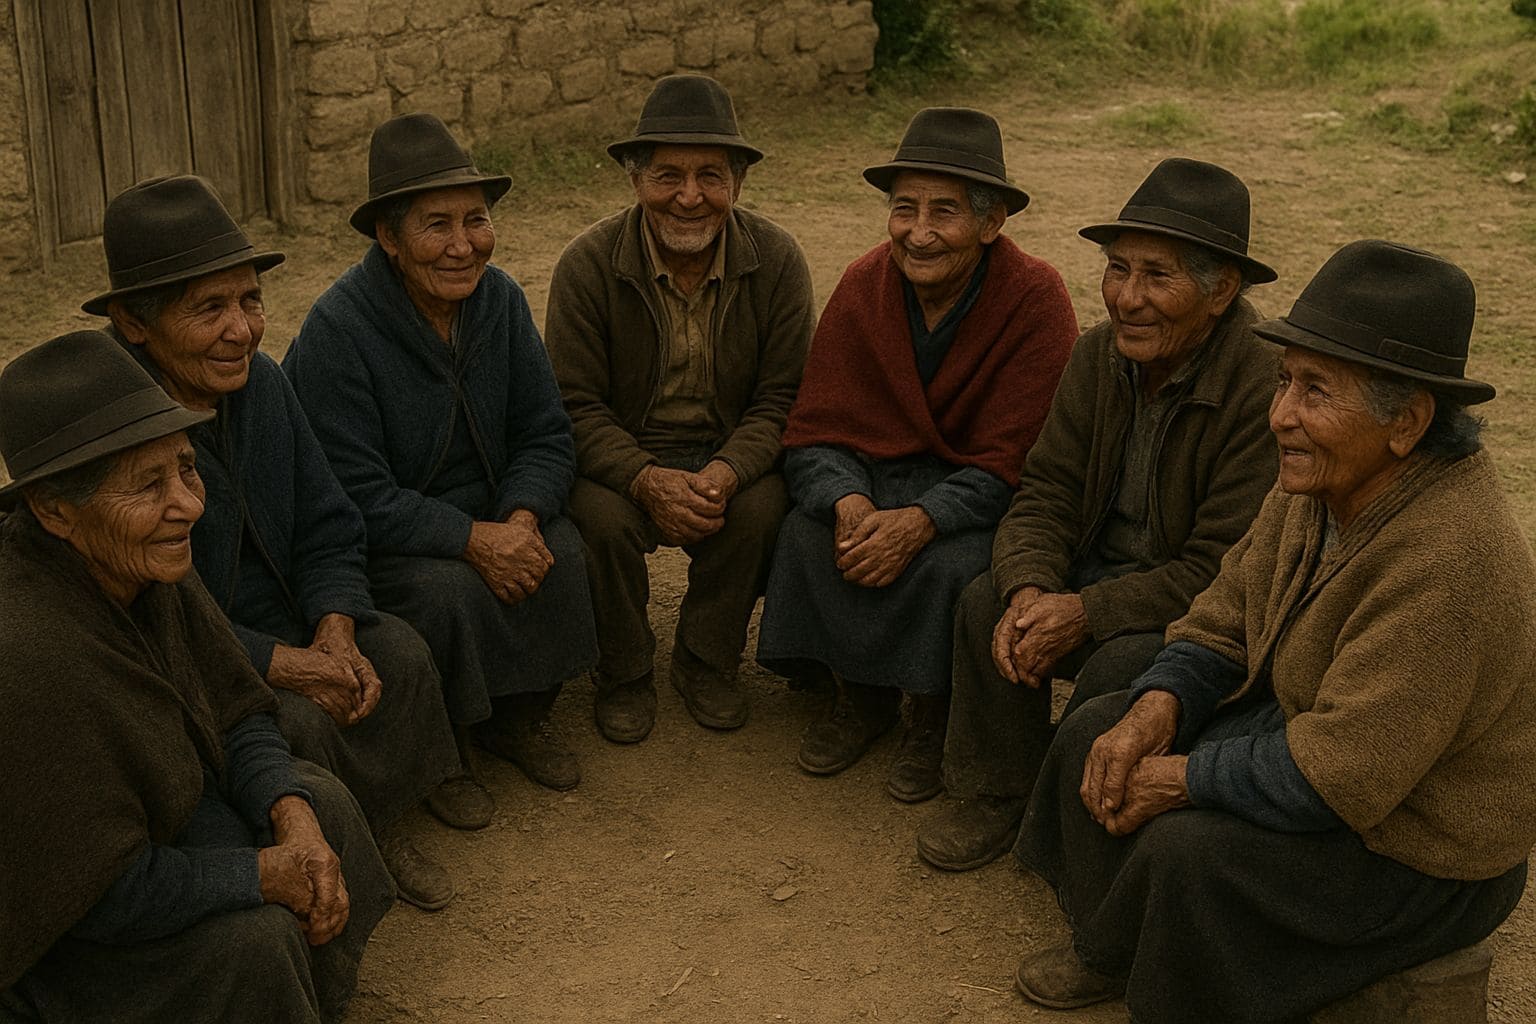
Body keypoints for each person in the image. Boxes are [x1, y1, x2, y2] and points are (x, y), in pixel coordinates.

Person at [1011, 239, 1536, 1023]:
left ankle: (1178, 971)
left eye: (1315, 390)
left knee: (1187, 851)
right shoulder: (1318, 480)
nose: (1280, 413)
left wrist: (1181, 778)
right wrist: (1158, 706)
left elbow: (1342, 774)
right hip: (1314, 737)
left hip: (1421, 848)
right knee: (1101, 724)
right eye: (1285, 380)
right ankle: (1115, 941)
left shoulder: (1451, 559)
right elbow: (1223, 616)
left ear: (1409, 423)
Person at [87, 174, 464, 911]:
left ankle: (391, 807)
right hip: (197, 657)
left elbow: (328, 519)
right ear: (136, 322)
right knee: (294, 721)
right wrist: (282, 663)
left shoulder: (261, 385)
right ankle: (353, 844)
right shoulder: (118, 435)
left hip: (297, 619)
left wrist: (336, 625)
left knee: (401, 654)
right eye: (209, 308)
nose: (243, 329)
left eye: (249, 301)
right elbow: (156, 611)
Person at [0, 330, 393, 1024]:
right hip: (66, 929)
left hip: (156, 835)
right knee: (254, 940)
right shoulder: (29, 655)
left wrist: (289, 815)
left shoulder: (141, 561)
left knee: (320, 802)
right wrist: (261, 875)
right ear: (54, 510)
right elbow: (98, 892)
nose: (187, 504)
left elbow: (236, 708)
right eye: (147, 486)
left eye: (186, 468)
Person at [915, 158, 1279, 870]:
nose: (1127, 298)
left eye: (1158, 276)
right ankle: (997, 793)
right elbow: (1045, 490)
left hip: (1195, 611)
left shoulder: (1259, 387)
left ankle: (1074, 821)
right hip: (1095, 570)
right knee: (988, 599)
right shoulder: (1097, 358)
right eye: (1118, 269)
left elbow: (1220, 568)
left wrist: (1086, 611)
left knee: (1124, 659)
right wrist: (1031, 590)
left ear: (1221, 290)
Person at [755, 107, 1077, 801]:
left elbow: (1020, 456)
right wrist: (849, 500)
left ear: (992, 225)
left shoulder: (1036, 298)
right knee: (810, 532)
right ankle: (860, 696)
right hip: (870, 477)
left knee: (955, 569)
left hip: (975, 491)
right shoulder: (864, 283)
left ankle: (932, 714)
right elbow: (816, 426)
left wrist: (922, 520)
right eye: (904, 209)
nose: (918, 232)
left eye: (944, 213)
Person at [286, 114, 599, 793]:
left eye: (476, 220)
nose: (463, 246)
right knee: (445, 593)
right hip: (390, 536)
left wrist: (518, 519)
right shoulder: (339, 330)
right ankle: (444, 753)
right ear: (388, 238)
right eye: (436, 225)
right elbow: (352, 492)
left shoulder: (502, 301)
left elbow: (545, 431)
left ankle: (518, 717)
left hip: (493, 508)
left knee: (563, 547)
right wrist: (468, 538)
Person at [545, 74, 815, 742]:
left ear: (738, 184)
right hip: (626, 452)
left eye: (710, 176)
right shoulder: (587, 265)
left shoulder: (776, 260)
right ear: (635, 181)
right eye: (667, 175)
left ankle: (706, 660)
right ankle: (625, 670)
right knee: (597, 518)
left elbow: (783, 398)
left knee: (761, 506)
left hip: (725, 449)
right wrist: (643, 476)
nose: (689, 197)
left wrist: (726, 470)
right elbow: (573, 404)